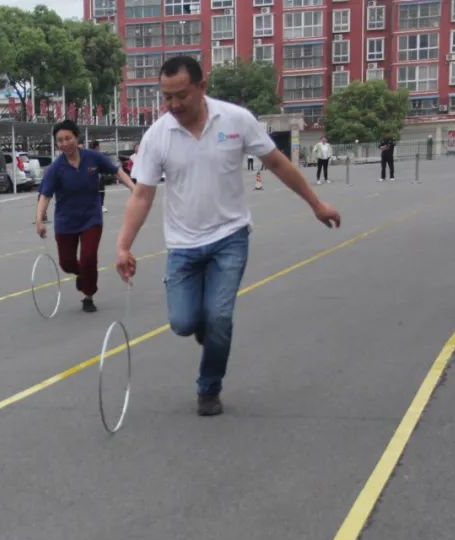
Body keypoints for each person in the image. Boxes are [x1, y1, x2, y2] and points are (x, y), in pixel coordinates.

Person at [115, 56, 340, 416]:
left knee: (219, 318)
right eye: (166, 97)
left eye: (181, 95)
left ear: (202, 87)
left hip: (229, 237)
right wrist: (123, 246)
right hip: (183, 245)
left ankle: (209, 388)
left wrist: (316, 204)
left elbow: (276, 162)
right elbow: (142, 195)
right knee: (183, 323)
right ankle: (204, 325)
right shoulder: (158, 135)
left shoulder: (236, 120)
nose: (173, 105)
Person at [36, 119, 138, 313]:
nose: (65, 143)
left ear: (77, 138)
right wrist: (39, 220)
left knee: (89, 258)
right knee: (67, 263)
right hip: (66, 222)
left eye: (68, 138)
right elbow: (45, 196)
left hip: (91, 218)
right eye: (60, 140)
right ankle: (83, 274)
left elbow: (117, 171)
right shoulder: (55, 169)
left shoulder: (93, 158)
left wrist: (134, 190)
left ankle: (88, 295)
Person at [89, 140, 108, 213]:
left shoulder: (100, 155)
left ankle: (101, 205)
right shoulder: (90, 155)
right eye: (98, 146)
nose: (99, 147)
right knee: (94, 192)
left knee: (102, 191)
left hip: (100, 175)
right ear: (96, 147)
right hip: (93, 176)